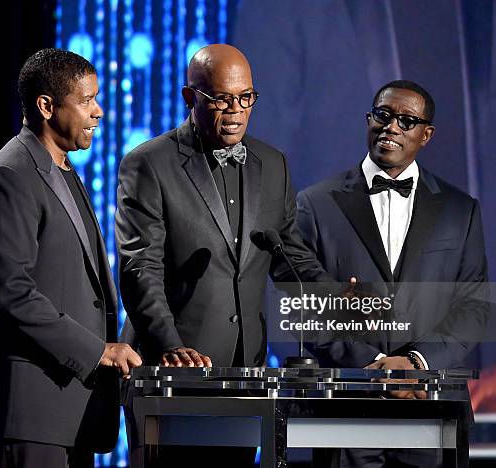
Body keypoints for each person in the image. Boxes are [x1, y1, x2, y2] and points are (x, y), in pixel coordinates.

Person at [115, 43, 338, 466]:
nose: (235, 110)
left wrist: (332, 296)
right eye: (220, 98)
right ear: (189, 98)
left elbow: (288, 255)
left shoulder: (273, 164)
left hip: (246, 374)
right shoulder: (148, 163)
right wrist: (170, 347)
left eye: (245, 98)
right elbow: (138, 266)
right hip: (172, 374)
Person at [0, 48, 141, 468]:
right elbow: (11, 294)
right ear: (46, 106)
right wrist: (98, 351)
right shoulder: (10, 176)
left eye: (96, 99)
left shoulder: (59, 168)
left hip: (68, 408)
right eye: (85, 101)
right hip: (27, 411)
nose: (97, 112)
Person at [296, 80, 489, 467]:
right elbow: (303, 308)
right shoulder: (315, 204)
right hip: (348, 409)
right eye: (383, 116)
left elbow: (474, 307)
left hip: (432, 407)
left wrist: (416, 363)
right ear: (369, 119)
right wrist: (374, 368)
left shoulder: (459, 209)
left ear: (426, 134)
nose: (391, 127)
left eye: (406, 120)